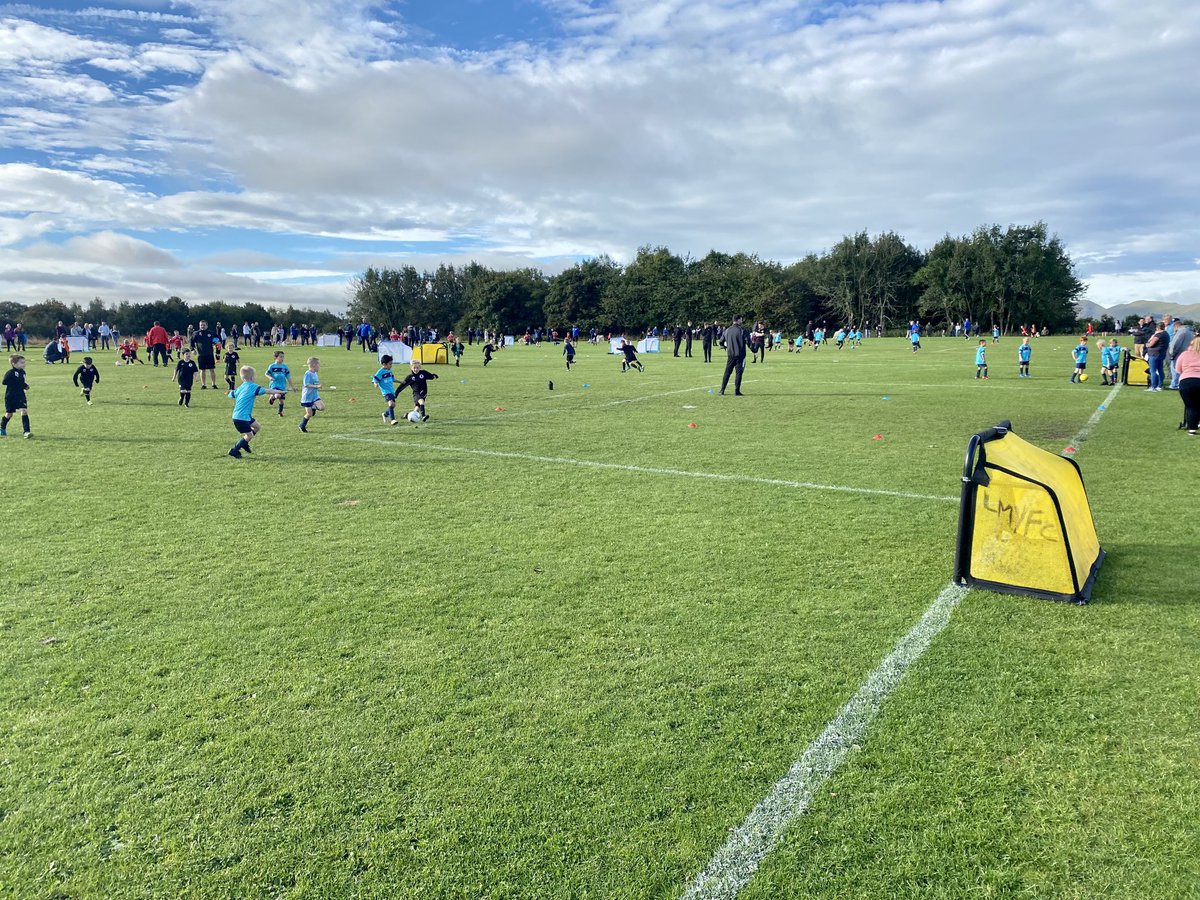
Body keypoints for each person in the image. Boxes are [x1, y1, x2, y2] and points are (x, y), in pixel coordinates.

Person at [227, 365, 268, 458]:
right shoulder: (253, 386)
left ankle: (244, 443)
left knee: (257, 427)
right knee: (249, 435)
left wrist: (230, 392)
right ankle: (234, 450)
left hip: (243, 416)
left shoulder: (241, 387)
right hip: (241, 418)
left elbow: (231, 394)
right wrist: (280, 392)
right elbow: (266, 390)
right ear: (252, 377)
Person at [1175, 336, 1200, 434]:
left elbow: (1178, 369)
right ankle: (1197, 422)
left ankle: (1191, 428)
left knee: (1190, 406)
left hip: (1186, 381)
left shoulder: (1185, 354)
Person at [2, 354, 31, 437]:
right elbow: (4, 382)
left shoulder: (23, 372)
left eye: (24, 362)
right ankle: (2, 428)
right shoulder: (10, 373)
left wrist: (25, 386)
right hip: (11, 396)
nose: (24, 364)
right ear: (14, 364)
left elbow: (21, 382)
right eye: (21, 363)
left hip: (20, 395)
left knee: (24, 411)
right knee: (9, 414)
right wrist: (16, 383)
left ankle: (26, 431)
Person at [719, 316, 747, 395]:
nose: (742, 321)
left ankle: (722, 390)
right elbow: (748, 342)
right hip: (740, 355)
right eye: (741, 319)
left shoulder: (727, 330)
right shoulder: (742, 330)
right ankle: (737, 391)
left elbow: (721, 341)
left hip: (730, 355)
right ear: (738, 320)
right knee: (739, 373)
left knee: (727, 372)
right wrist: (754, 350)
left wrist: (724, 346)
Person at [265, 350, 296, 417]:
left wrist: (292, 386)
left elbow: (288, 377)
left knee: (281, 400)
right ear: (275, 357)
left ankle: (280, 412)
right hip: (274, 385)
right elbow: (266, 374)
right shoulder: (272, 366)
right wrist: (270, 377)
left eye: (283, 357)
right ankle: (273, 397)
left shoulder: (285, 367)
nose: (282, 358)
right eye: (280, 357)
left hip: (282, 385)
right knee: (278, 395)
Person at [1168, 318, 1195, 390]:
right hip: (1188, 354)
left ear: (1176, 326)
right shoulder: (1190, 332)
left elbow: (1176, 344)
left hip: (1179, 354)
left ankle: (1174, 384)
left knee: (1175, 368)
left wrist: (1172, 354)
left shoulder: (1181, 332)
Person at [373, 354, 399, 425]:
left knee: (393, 405)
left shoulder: (389, 371)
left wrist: (401, 381)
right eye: (390, 364)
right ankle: (393, 420)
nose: (391, 365)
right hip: (386, 392)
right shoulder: (380, 372)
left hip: (391, 391)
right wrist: (375, 384)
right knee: (391, 403)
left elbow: (393, 379)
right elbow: (375, 379)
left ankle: (385, 414)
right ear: (384, 364)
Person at [191, 320, 217, 389]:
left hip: (210, 354)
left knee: (212, 369)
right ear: (199, 326)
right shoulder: (196, 333)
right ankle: (203, 384)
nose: (202, 326)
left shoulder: (211, 333)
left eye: (204, 325)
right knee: (202, 370)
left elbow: (217, 341)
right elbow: (191, 343)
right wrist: (192, 349)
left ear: (207, 326)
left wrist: (215, 344)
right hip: (201, 355)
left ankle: (213, 384)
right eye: (201, 325)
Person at [1143, 321, 1169, 392]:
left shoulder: (1158, 335)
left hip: (1154, 354)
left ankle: (1153, 386)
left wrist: (1147, 344)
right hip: (1161, 353)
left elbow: (1150, 343)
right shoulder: (1166, 334)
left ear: (1157, 328)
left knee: (1153, 370)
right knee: (1160, 369)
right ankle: (1160, 385)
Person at [299, 357, 322, 432]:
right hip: (307, 397)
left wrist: (317, 385)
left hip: (314, 396)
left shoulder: (315, 373)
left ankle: (313, 407)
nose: (319, 366)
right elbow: (306, 384)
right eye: (318, 364)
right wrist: (316, 386)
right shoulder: (308, 374)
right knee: (309, 414)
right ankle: (302, 426)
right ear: (313, 365)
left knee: (322, 407)